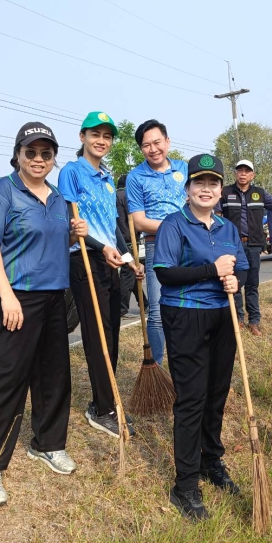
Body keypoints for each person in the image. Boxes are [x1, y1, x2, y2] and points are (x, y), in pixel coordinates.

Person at [0, 122, 89, 506]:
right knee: (10, 380)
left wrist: (73, 233)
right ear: (18, 154)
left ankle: (48, 443)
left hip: (54, 297)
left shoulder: (57, 197)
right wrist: (6, 296)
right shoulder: (2, 191)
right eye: (31, 152)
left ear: (53, 158)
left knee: (54, 376)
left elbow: (50, 241)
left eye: (46, 153)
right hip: (15, 296)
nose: (39, 159)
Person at [153, 153, 249, 521]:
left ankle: (212, 461)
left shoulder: (226, 227)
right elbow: (165, 275)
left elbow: (240, 265)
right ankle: (185, 485)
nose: (205, 189)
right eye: (198, 182)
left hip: (221, 317)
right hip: (184, 316)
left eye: (212, 183)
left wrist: (235, 279)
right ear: (187, 187)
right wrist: (212, 269)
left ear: (220, 189)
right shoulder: (173, 226)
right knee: (192, 399)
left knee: (216, 395)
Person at [58, 112, 144, 439]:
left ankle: (106, 400)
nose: (102, 141)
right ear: (82, 137)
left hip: (110, 261)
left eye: (107, 136)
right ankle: (103, 408)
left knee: (112, 332)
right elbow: (71, 218)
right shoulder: (72, 172)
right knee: (96, 335)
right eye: (96, 134)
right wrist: (99, 247)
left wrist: (127, 257)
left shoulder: (108, 178)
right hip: (84, 258)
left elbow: (114, 229)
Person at [218, 160, 272, 336]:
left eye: (247, 171)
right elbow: (218, 217)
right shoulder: (225, 193)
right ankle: (238, 319)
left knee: (252, 284)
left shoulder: (260, 193)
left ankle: (254, 321)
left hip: (253, 244)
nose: (243, 173)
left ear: (253, 175)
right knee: (235, 283)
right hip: (231, 245)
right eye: (240, 170)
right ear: (235, 173)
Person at [126, 119, 189, 365]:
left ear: (167, 142)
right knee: (156, 312)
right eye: (146, 145)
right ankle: (158, 369)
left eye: (157, 142)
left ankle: (185, 364)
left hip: (189, 247)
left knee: (189, 306)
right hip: (156, 247)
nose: (153, 149)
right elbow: (140, 222)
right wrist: (177, 228)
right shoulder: (135, 177)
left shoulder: (184, 169)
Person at [116, 174, 148, 317]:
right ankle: (121, 308)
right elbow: (134, 217)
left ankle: (145, 303)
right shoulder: (127, 196)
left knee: (133, 271)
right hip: (128, 241)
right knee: (128, 274)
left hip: (117, 240)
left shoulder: (114, 195)